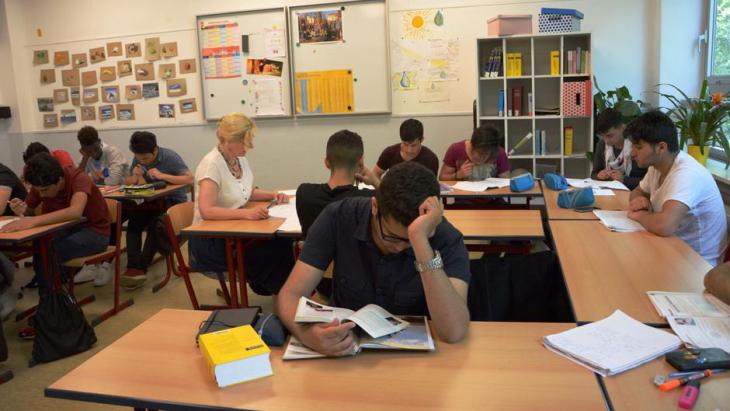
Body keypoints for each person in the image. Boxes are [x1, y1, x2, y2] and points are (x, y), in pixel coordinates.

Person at [279, 162, 471, 357]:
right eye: (392, 237)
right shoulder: (339, 216)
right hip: (346, 352)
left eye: (411, 240)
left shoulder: (445, 236)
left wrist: (421, 243)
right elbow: (290, 295)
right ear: (374, 206)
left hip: (416, 360)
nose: (400, 247)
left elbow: (453, 331)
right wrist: (307, 334)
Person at [188, 113, 295, 300]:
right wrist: (246, 214)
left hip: (235, 230)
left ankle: (282, 294)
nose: (250, 146)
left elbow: (244, 191)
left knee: (283, 243)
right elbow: (207, 210)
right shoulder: (211, 165)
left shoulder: (239, 159)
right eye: (246, 142)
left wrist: (273, 194)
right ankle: (283, 298)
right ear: (230, 140)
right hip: (213, 240)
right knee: (272, 252)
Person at [626, 110, 727, 266]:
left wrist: (639, 216)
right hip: (670, 249)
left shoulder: (687, 173)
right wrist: (640, 200)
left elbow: (664, 225)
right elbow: (638, 192)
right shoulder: (657, 166)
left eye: (638, 147)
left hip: (698, 265)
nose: (632, 153)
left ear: (661, 147)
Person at [0, 153, 110, 289]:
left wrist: (33, 221)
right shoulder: (41, 183)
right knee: (41, 247)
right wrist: (20, 209)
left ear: (59, 180)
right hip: (65, 230)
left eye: (45, 190)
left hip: (95, 233)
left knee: (51, 252)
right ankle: (50, 294)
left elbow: (75, 211)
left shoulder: (79, 178)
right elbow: (28, 210)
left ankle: (52, 295)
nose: (41, 195)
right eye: (38, 190)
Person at [110, 131, 191, 289]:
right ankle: (132, 267)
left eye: (146, 158)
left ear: (155, 150)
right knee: (134, 223)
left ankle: (140, 268)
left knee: (156, 226)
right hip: (151, 201)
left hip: (172, 200)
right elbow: (137, 182)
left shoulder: (170, 157)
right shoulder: (139, 157)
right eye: (139, 158)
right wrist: (135, 178)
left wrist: (162, 175)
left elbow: (189, 179)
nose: (142, 161)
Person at [296, 129, 379, 237]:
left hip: (316, 253)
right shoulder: (369, 199)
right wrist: (375, 181)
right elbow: (396, 199)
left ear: (327, 163)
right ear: (361, 162)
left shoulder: (304, 193)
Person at [591, 108, 646, 189]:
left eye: (610, 135)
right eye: (603, 136)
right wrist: (599, 176)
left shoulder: (635, 146)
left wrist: (624, 180)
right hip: (608, 192)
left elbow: (647, 181)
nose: (606, 141)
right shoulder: (602, 145)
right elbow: (594, 174)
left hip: (633, 193)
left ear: (622, 127)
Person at [439, 123, 510, 181]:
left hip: (492, 197)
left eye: (486, 154)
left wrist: (503, 180)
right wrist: (458, 175)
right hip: (464, 197)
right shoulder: (455, 149)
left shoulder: (499, 153)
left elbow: (506, 183)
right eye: (480, 153)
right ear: (472, 145)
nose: (482, 158)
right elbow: (442, 178)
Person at [373, 119, 439, 178]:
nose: (409, 150)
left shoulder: (431, 159)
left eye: (413, 145)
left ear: (421, 140)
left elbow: (432, 187)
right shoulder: (389, 153)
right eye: (405, 144)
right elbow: (375, 174)